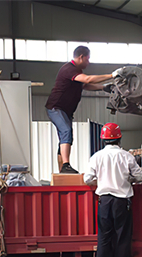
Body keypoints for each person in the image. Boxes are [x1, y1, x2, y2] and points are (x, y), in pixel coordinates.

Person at [46, 46, 122, 174]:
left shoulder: (76, 71)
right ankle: (66, 165)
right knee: (66, 131)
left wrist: (103, 88)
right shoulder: (69, 69)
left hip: (66, 111)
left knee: (66, 137)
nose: (89, 62)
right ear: (81, 57)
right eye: (88, 59)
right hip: (56, 108)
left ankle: (62, 169)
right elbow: (87, 79)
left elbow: (85, 85)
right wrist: (112, 75)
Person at [84, 123, 142, 257]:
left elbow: (87, 179)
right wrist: (128, 179)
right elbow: (140, 177)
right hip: (121, 202)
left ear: (103, 139)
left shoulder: (97, 156)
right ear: (119, 138)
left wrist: (101, 181)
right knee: (122, 237)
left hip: (104, 201)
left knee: (104, 237)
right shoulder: (126, 156)